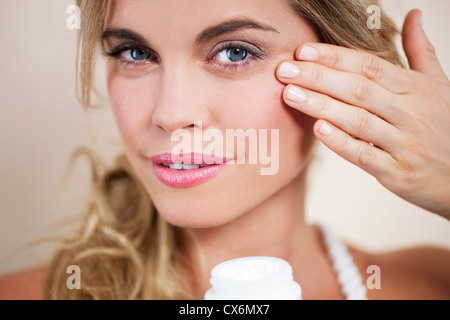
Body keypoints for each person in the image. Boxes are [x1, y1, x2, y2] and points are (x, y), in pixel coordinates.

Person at [1, 0, 449, 300]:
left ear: (347, 63)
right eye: (135, 52)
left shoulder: (431, 283)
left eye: (235, 52)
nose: (171, 114)